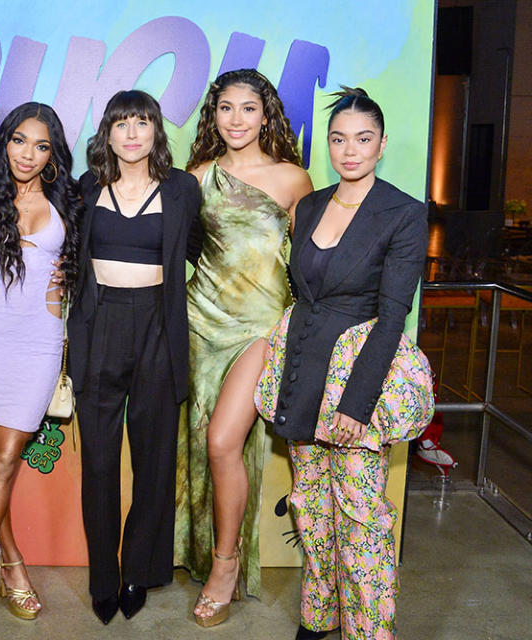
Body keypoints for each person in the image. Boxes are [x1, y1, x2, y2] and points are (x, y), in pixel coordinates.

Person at [272, 88, 427, 640]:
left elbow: (392, 317)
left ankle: (369, 633)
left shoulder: (403, 212)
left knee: (362, 525)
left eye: (363, 139)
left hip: (356, 385)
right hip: (303, 374)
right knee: (312, 513)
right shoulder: (310, 206)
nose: (350, 150)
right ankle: (319, 618)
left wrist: (357, 405)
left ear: (381, 145)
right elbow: (301, 296)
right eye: (339, 139)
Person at [174, 69, 313, 626]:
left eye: (248, 109)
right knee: (197, 445)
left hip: (261, 328)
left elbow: (308, 262)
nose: (236, 119)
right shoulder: (197, 175)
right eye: (225, 108)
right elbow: (175, 249)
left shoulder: (292, 179)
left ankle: (225, 565)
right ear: (214, 114)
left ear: (266, 114)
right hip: (198, 320)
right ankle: (195, 549)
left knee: (221, 441)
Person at [67, 89, 202, 624]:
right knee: (99, 462)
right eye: (121, 123)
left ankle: (136, 571)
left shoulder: (182, 189)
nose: (131, 133)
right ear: (107, 133)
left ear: (155, 132)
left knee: (154, 460)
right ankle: (103, 576)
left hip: (157, 328)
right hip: (99, 325)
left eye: (141, 122)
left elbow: (194, 249)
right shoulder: (86, 187)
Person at [0, 102, 81, 640]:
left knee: (4, 459)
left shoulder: (68, 201)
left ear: (53, 156)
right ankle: (11, 563)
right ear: (3, 144)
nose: (28, 153)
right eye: (19, 141)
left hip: (38, 344)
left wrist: (64, 287)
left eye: (42, 145)